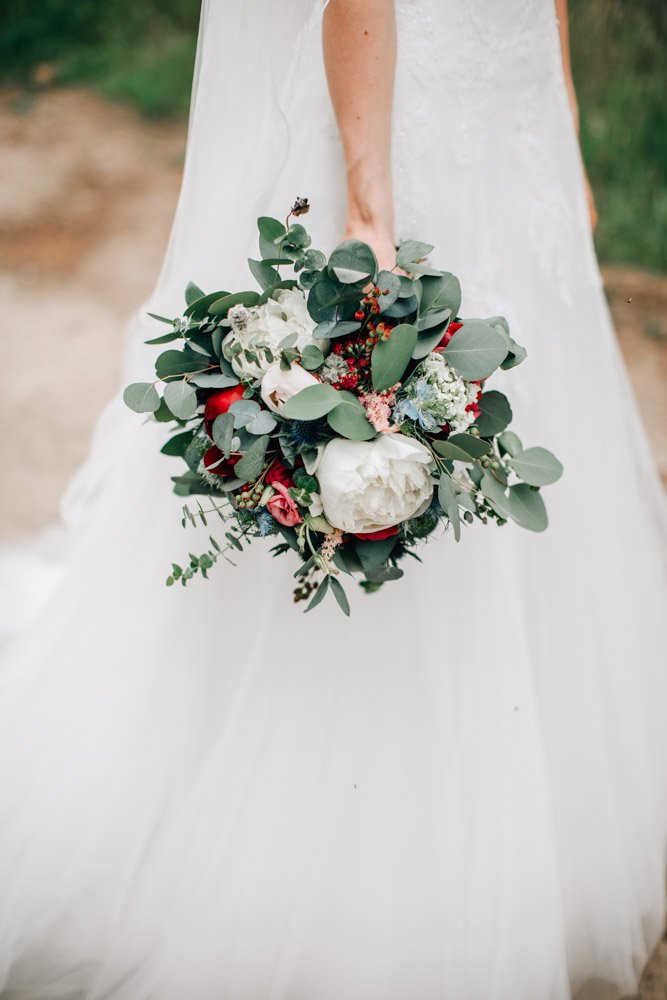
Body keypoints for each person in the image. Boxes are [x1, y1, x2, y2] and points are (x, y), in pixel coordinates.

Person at [1, 2, 666, 998]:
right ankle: (363, 868)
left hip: (509, 104)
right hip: (401, 103)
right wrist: (367, 210)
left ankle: (535, 834)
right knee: (395, 434)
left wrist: (559, 114)